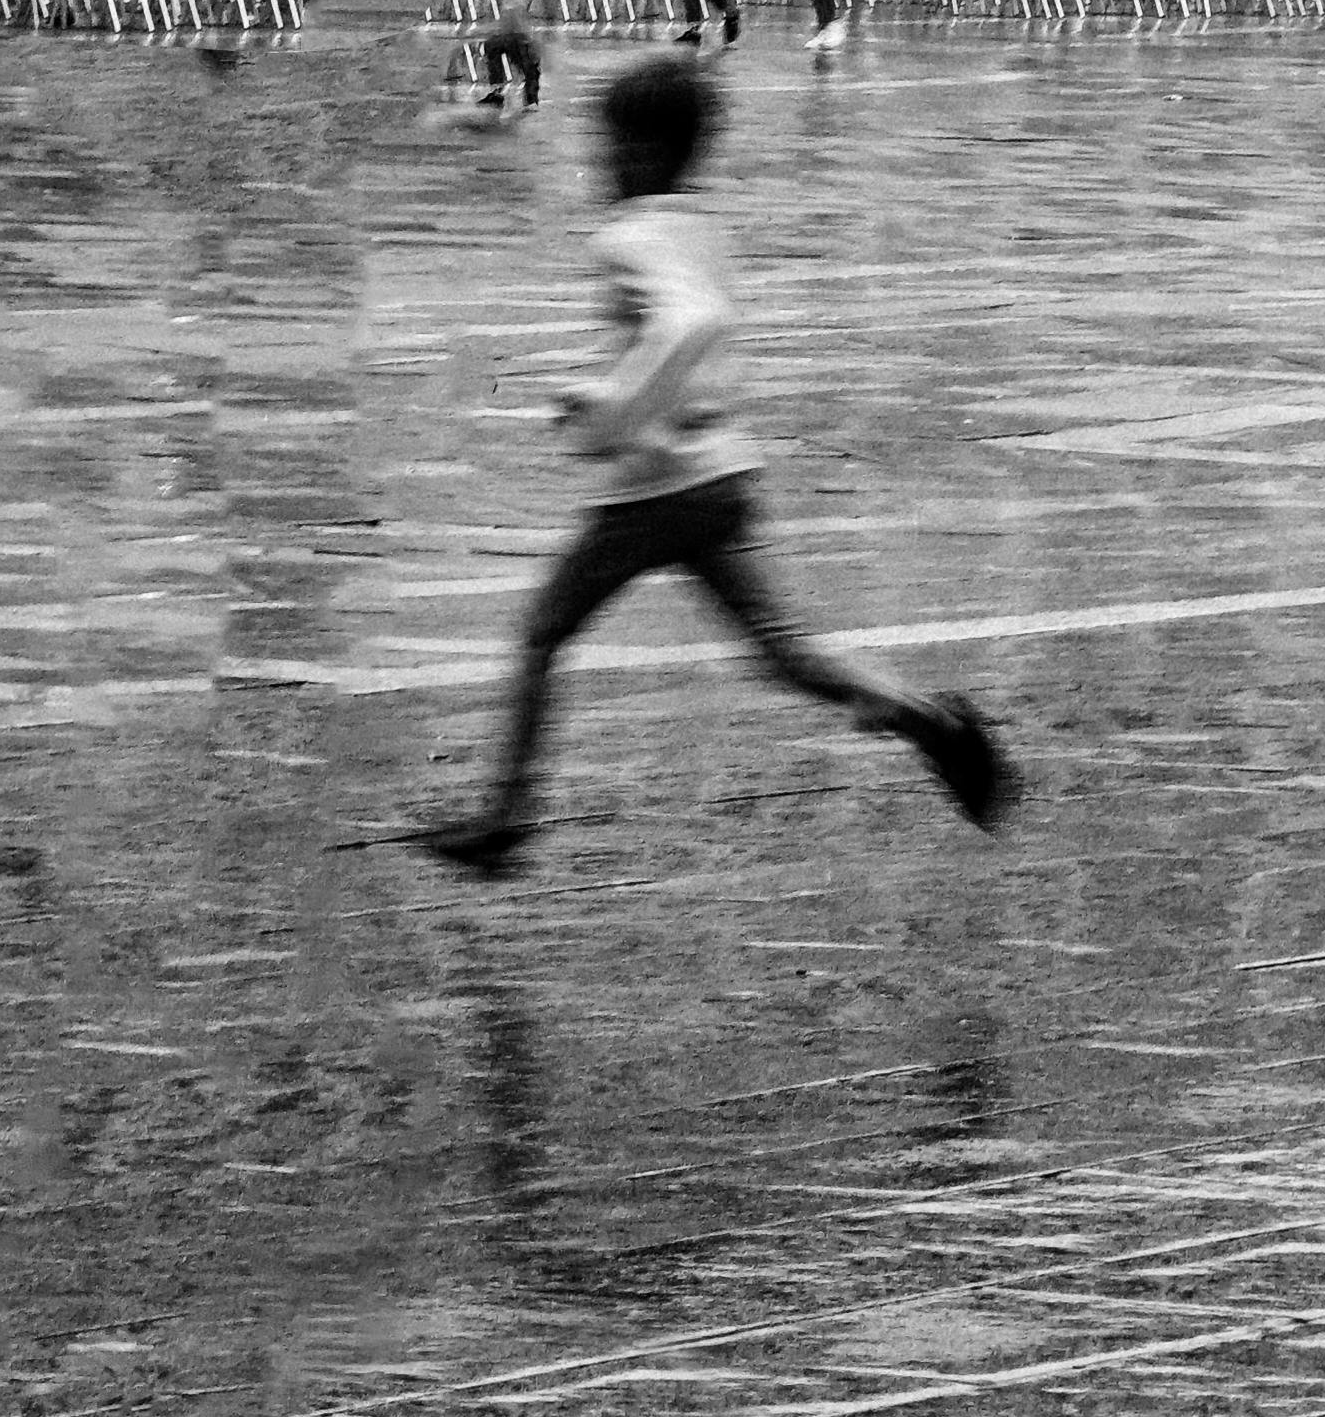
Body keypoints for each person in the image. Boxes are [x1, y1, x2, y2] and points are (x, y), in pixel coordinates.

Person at [415, 55, 1015, 876]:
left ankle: (507, 816)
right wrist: (604, 392)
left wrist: (612, 415)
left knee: (542, 633)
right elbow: (692, 336)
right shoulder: (701, 227)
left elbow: (690, 324)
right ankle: (933, 724)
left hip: (655, 491)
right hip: (722, 479)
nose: (599, 161)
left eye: (610, 145)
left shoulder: (626, 236)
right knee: (785, 655)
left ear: (646, 151)